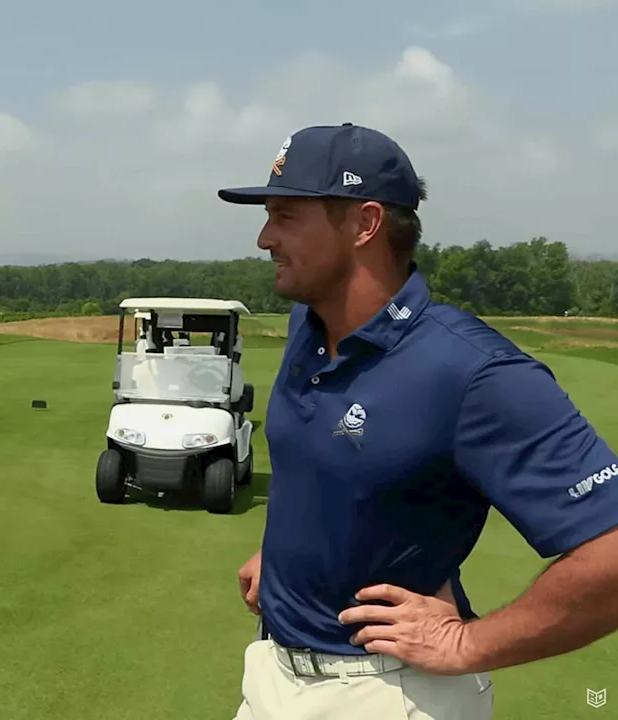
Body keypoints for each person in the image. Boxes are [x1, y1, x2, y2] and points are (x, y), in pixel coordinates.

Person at [218, 123, 618, 719]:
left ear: (365, 223)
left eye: (285, 216)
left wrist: (468, 643)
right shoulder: (310, 324)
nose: (263, 238)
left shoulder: (473, 370)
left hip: (384, 696)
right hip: (271, 677)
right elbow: (335, 466)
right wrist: (283, 556)